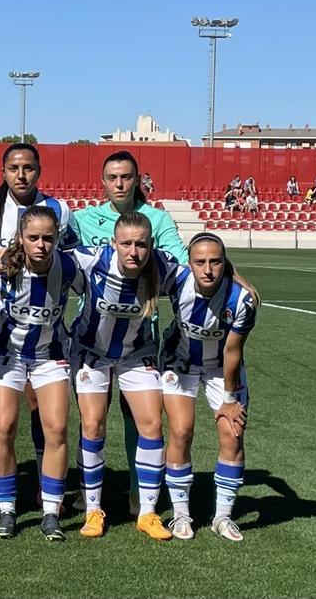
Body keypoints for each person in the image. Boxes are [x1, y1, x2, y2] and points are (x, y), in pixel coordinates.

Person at [69, 150, 188, 515]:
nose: (119, 184)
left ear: (138, 179)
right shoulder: (84, 219)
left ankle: (139, 493)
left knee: (139, 415)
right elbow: (53, 245)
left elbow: (184, 264)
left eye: (126, 177)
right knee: (92, 416)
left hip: (140, 335)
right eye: (112, 178)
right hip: (93, 335)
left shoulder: (158, 219)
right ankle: (86, 492)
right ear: (103, 182)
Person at [0, 143, 77, 509]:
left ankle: (47, 484)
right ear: (4, 171)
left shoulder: (58, 210)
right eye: (14, 167)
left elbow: (72, 254)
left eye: (28, 167)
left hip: (43, 322)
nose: (21, 174)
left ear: (39, 170)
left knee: (39, 404)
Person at [0, 206, 80, 540]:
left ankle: (51, 511)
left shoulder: (69, 265)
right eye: (33, 238)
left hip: (49, 355)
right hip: (7, 354)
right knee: (4, 428)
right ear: (20, 238)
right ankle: (7, 509)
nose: (41, 244)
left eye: (48, 238)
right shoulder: (4, 264)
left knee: (56, 429)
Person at [162, 233, 258, 542]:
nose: (207, 269)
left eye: (215, 261)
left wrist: (230, 399)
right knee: (180, 431)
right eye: (200, 262)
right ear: (189, 263)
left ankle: (223, 517)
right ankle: (180, 514)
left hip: (221, 368)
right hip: (179, 362)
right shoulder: (176, 279)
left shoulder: (242, 300)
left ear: (225, 263)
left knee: (233, 434)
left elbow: (232, 352)